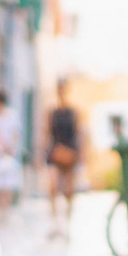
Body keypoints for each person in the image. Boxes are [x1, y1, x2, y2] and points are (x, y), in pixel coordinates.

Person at [46, 81, 81, 237]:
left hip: (70, 151)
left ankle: (67, 222)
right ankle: (55, 222)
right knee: (53, 187)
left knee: (69, 190)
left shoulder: (73, 112)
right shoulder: (51, 112)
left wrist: (81, 154)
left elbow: (79, 133)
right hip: (55, 151)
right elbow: (46, 133)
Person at [0, 89, 21, 219]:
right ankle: (0, 208)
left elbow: (15, 134)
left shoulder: (11, 115)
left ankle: (5, 210)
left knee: (7, 184)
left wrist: (10, 147)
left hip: (8, 153)